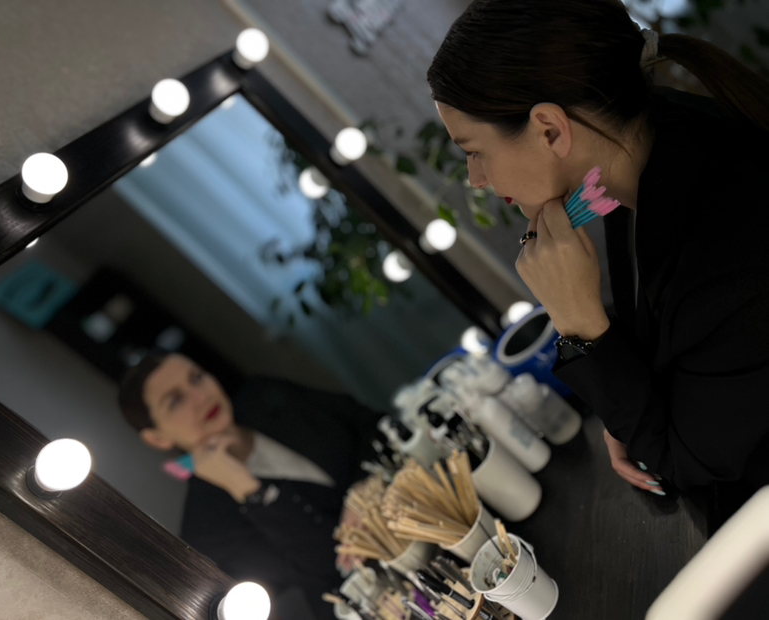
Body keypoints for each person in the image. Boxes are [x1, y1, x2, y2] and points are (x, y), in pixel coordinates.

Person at [427, 0, 769, 501]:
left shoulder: (729, 251)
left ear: (550, 129)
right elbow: (669, 359)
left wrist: (579, 325)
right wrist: (627, 407)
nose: (476, 179)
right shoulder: (645, 155)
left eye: (474, 151)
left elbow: (684, 463)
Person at [118, 351, 382, 620]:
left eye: (196, 378)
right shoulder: (206, 526)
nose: (200, 396)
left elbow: (371, 424)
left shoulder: (263, 396)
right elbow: (325, 563)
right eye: (175, 401)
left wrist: (364, 488)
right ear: (158, 438)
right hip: (375, 601)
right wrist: (247, 489)